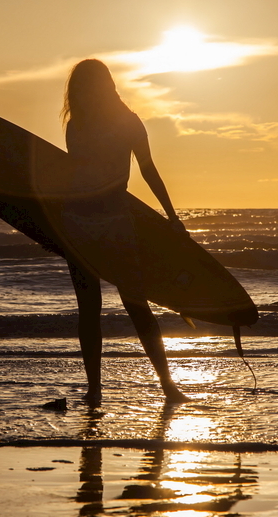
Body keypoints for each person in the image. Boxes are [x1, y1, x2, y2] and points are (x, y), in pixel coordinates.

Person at [60, 58, 190, 405]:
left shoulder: (128, 123)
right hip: (79, 225)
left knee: (136, 304)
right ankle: (94, 390)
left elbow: (148, 170)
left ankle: (168, 387)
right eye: (79, 88)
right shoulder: (77, 125)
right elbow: (74, 180)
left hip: (116, 223)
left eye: (87, 86)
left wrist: (172, 216)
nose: (82, 94)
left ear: (104, 87)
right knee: (89, 308)